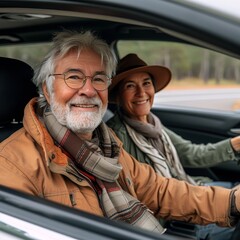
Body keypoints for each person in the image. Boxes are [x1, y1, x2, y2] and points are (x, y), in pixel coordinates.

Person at [0, 31, 239, 238]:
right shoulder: (12, 164)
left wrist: (231, 201)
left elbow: (159, 190)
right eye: (73, 77)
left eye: (99, 78)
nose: (88, 89)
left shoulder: (106, 144)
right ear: (47, 90)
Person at [106, 53, 240, 239]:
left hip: (187, 190)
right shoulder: (116, 137)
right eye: (130, 86)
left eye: (146, 83)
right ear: (118, 96)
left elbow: (191, 153)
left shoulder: (153, 125)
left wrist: (234, 144)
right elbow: (147, 196)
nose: (141, 93)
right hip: (173, 219)